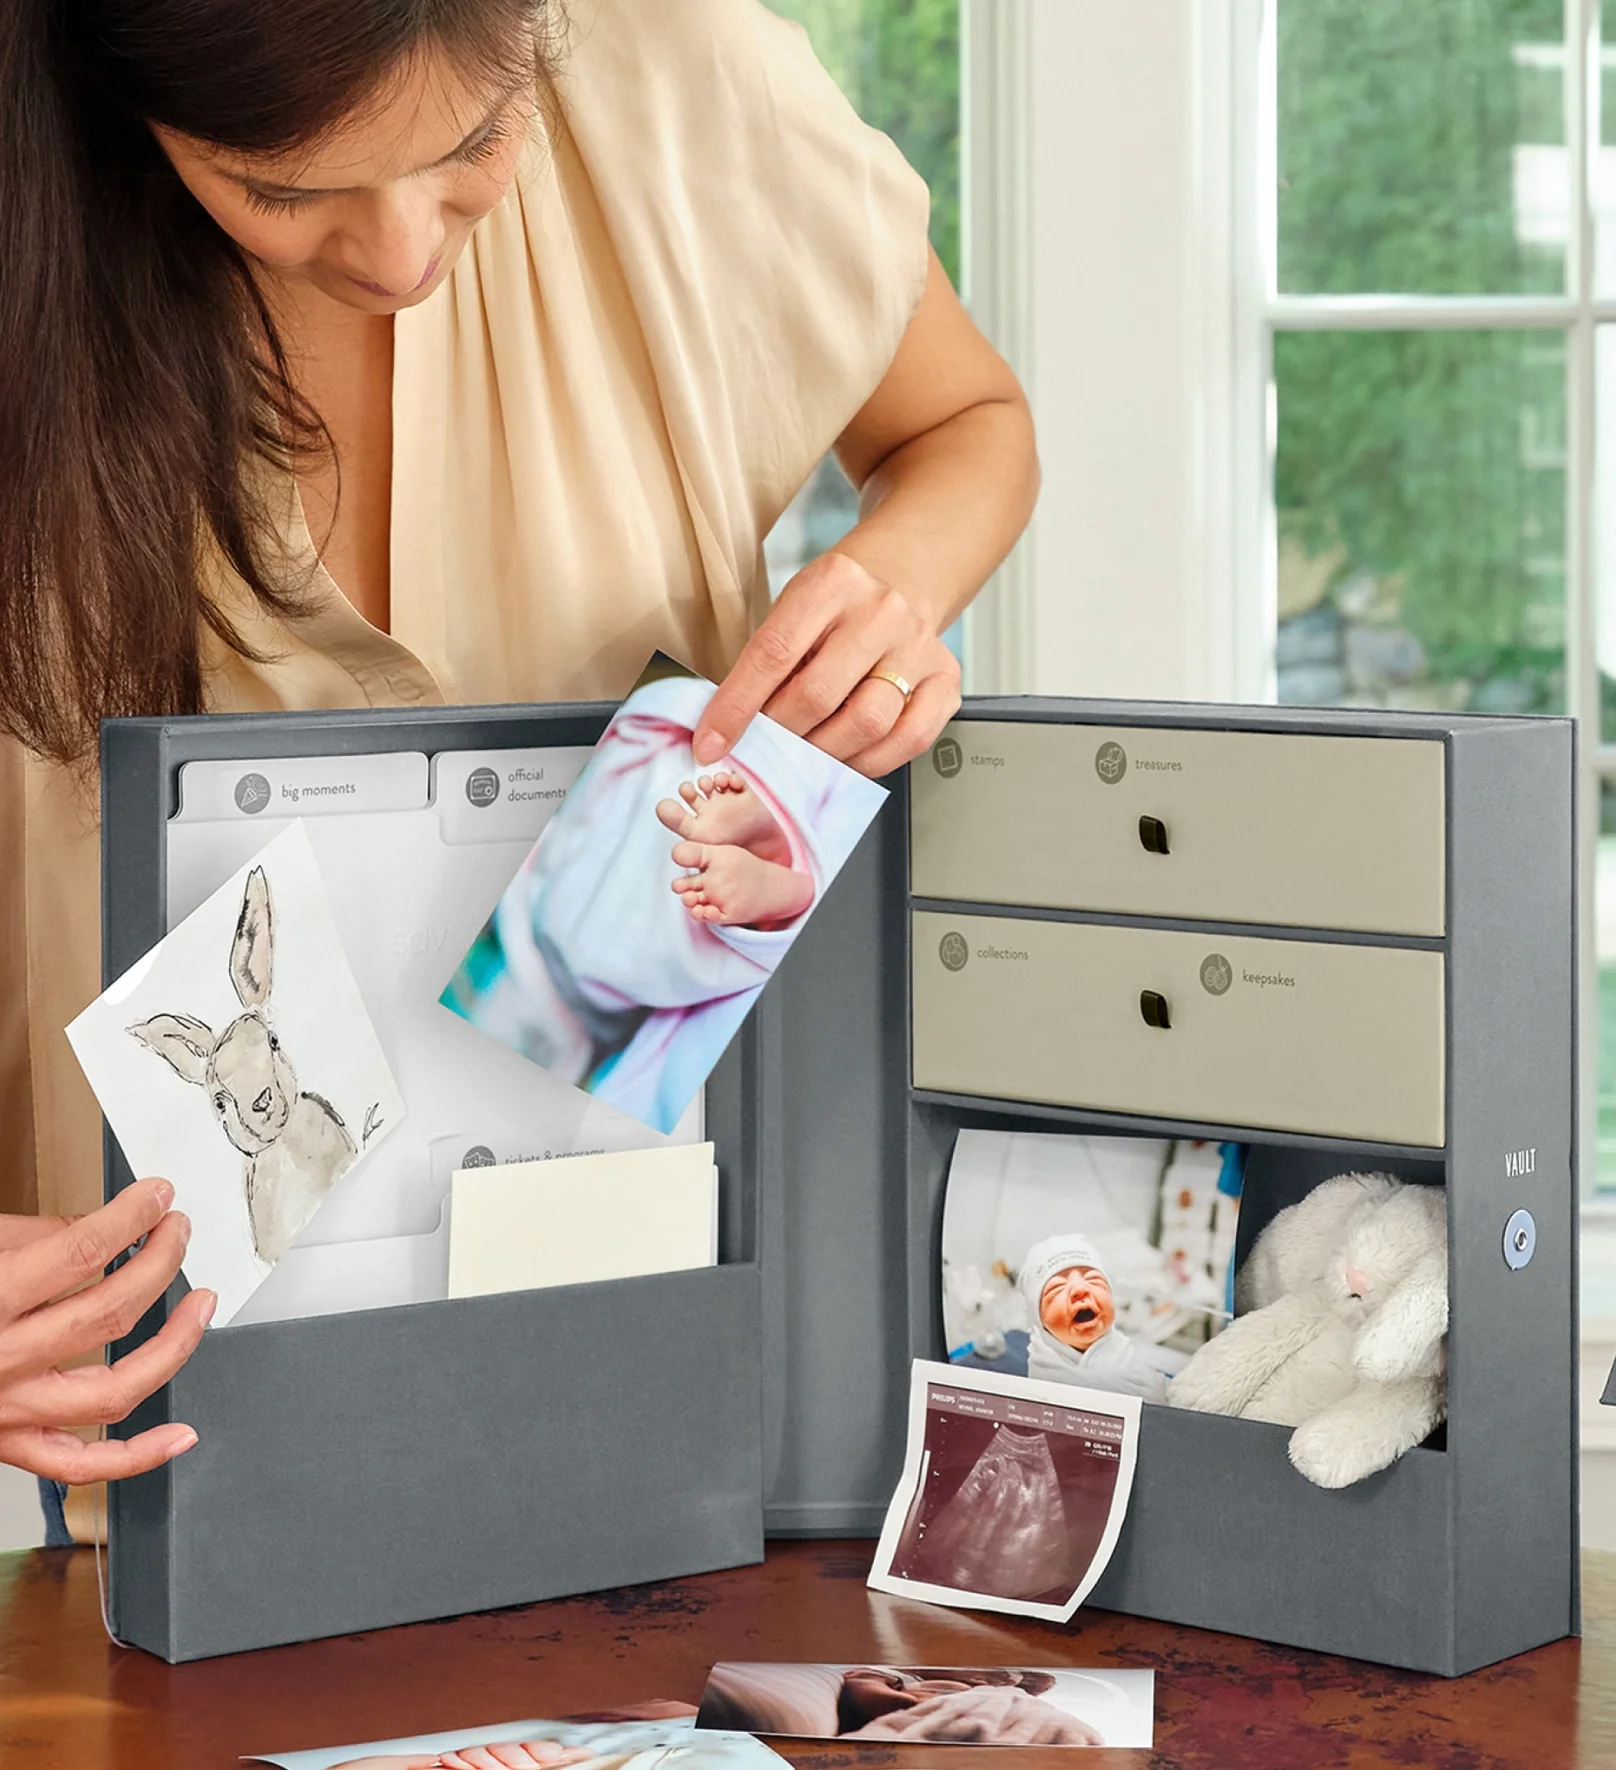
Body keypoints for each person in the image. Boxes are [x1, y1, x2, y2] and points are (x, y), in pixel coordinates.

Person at [0, 0, 1037, 1501]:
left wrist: (891, 592)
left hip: (643, 1344)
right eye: (282, 188)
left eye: (478, 142)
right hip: (155, 1447)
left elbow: (968, 421)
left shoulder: (679, 67)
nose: (405, 254)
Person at [696, 1663, 1103, 1746]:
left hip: (1030, 1720)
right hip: (946, 1718)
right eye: (995, 1675)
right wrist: (905, 1697)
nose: (1003, 1681)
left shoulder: (1001, 1694)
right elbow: (862, 1687)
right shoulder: (916, 1679)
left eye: (1016, 1681)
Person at [1017, 1234, 1169, 1402]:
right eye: (1057, 1288)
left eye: (1093, 1279)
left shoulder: (1140, 1369)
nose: (1080, 1289)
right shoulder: (1042, 1378)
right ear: (1040, 1321)